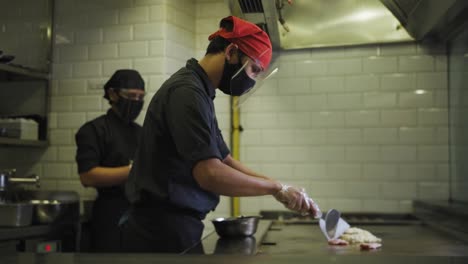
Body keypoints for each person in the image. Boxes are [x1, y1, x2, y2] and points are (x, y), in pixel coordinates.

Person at [121, 16, 319, 253]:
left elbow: (224, 159)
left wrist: (281, 188)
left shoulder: (202, 92)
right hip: (159, 232)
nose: (252, 80)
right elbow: (210, 174)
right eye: (254, 69)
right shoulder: (187, 92)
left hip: (175, 226)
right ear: (231, 52)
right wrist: (275, 188)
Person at [75, 69, 146, 252]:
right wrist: (134, 170)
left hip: (142, 215)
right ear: (113, 94)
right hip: (110, 215)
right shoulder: (93, 131)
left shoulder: (142, 133)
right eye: (131, 96)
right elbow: (88, 176)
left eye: (140, 97)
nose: (136, 102)